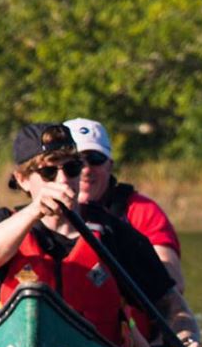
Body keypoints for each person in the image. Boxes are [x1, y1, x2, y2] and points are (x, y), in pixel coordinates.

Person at [0, 123, 202, 347]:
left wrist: (188, 344)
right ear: (22, 179)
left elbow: (171, 304)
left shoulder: (113, 233)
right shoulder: (4, 222)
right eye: (48, 172)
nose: (63, 180)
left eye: (72, 168)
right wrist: (35, 211)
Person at [63, 118, 186, 294]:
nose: (86, 169)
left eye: (95, 159)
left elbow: (173, 281)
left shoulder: (142, 210)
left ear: (110, 165)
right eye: (76, 161)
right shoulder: (41, 211)